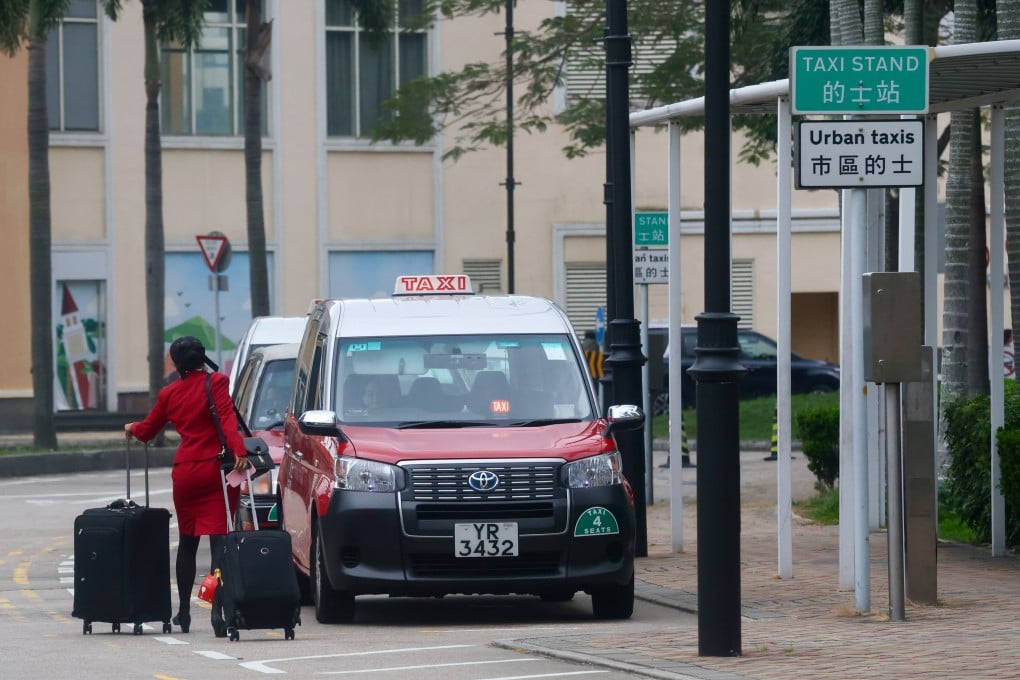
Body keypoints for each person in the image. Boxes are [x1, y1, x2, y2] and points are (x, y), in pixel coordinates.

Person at [124, 336, 249, 637]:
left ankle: (183, 612)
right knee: (218, 546)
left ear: (177, 363)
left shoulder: (169, 393)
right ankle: (217, 613)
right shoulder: (216, 381)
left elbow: (148, 429)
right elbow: (229, 421)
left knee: (188, 542)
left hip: (185, 474)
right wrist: (240, 452)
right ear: (202, 357)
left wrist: (132, 429)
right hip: (213, 471)